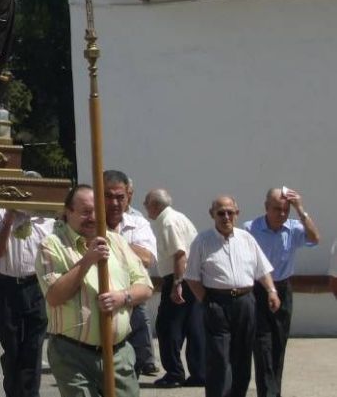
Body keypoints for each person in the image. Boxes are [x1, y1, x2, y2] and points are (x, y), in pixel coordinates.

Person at [36, 184, 153, 397]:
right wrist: (88, 260)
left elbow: (145, 287)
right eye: (85, 212)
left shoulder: (116, 241)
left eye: (97, 211)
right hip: (73, 355)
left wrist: (122, 297)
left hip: (118, 354)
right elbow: (54, 296)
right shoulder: (52, 245)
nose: (93, 217)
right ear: (68, 212)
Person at [185, 195, 280, 397]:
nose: (226, 217)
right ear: (212, 214)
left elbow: (262, 269)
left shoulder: (247, 239)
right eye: (221, 213)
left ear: (237, 214)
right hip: (217, 303)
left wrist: (272, 291)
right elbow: (192, 278)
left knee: (242, 358)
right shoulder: (202, 241)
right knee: (219, 359)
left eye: (230, 212)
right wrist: (207, 302)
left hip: (245, 302)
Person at [244, 187, 320, 397]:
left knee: (278, 344)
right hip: (258, 290)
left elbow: (315, 238)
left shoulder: (293, 228)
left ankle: (273, 391)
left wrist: (301, 210)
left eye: (286, 210)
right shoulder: (250, 228)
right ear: (266, 207)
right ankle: (268, 393)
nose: (282, 214)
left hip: (283, 289)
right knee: (262, 345)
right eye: (277, 209)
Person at [0, 206, 54, 397]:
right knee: (12, 348)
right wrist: (8, 220)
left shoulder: (48, 218)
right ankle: (13, 391)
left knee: (33, 347)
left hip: (36, 286)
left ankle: (31, 393)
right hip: (6, 286)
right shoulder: (0, 212)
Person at [143, 188, 205, 388]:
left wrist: (177, 284)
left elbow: (180, 254)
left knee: (167, 327)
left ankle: (174, 373)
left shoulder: (168, 222)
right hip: (193, 278)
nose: (145, 207)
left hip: (179, 278)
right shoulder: (180, 217)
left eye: (146, 203)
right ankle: (200, 373)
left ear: (155, 205)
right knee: (194, 327)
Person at [103, 170, 159, 377]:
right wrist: (129, 251)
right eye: (108, 196)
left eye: (120, 197)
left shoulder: (138, 224)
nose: (114, 203)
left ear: (129, 197)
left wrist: (111, 242)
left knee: (130, 369)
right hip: (98, 302)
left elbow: (146, 258)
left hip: (131, 300)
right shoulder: (88, 224)